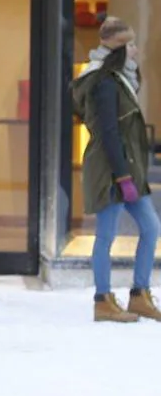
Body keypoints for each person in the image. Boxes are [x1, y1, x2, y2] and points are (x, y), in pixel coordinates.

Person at [72, 16, 161, 322]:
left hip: (128, 165)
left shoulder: (119, 78)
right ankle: (103, 300)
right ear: (119, 47)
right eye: (131, 44)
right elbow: (108, 131)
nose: (136, 50)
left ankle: (140, 294)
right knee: (106, 235)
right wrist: (122, 175)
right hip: (112, 168)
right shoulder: (104, 83)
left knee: (151, 227)